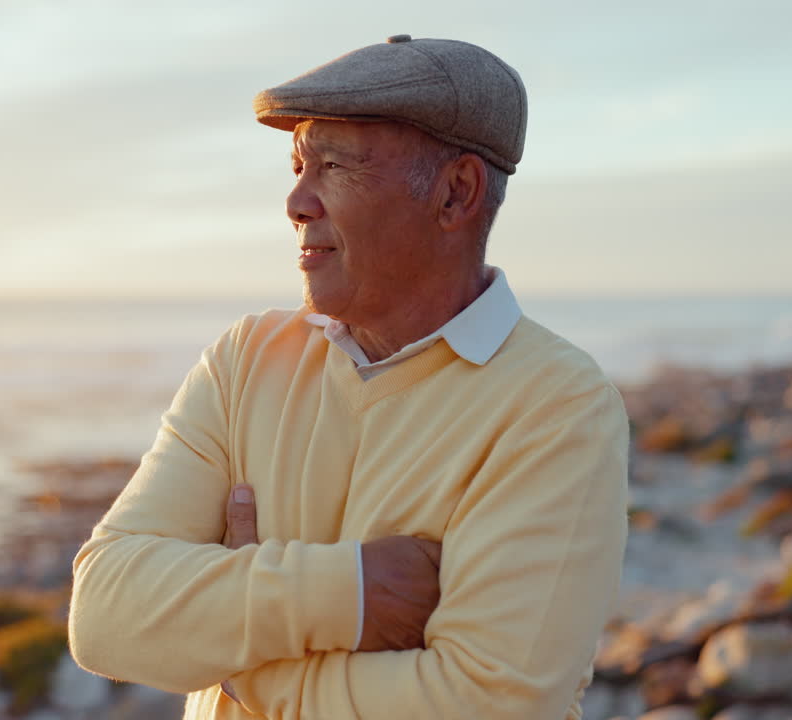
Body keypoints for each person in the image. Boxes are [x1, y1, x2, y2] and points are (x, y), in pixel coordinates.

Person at [68, 35, 628, 720]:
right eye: (299, 164)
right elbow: (103, 615)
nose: (297, 201)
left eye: (334, 166)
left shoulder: (557, 406)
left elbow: (490, 704)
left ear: (456, 194)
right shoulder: (247, 358)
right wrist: (352, 594)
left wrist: (243, 666)